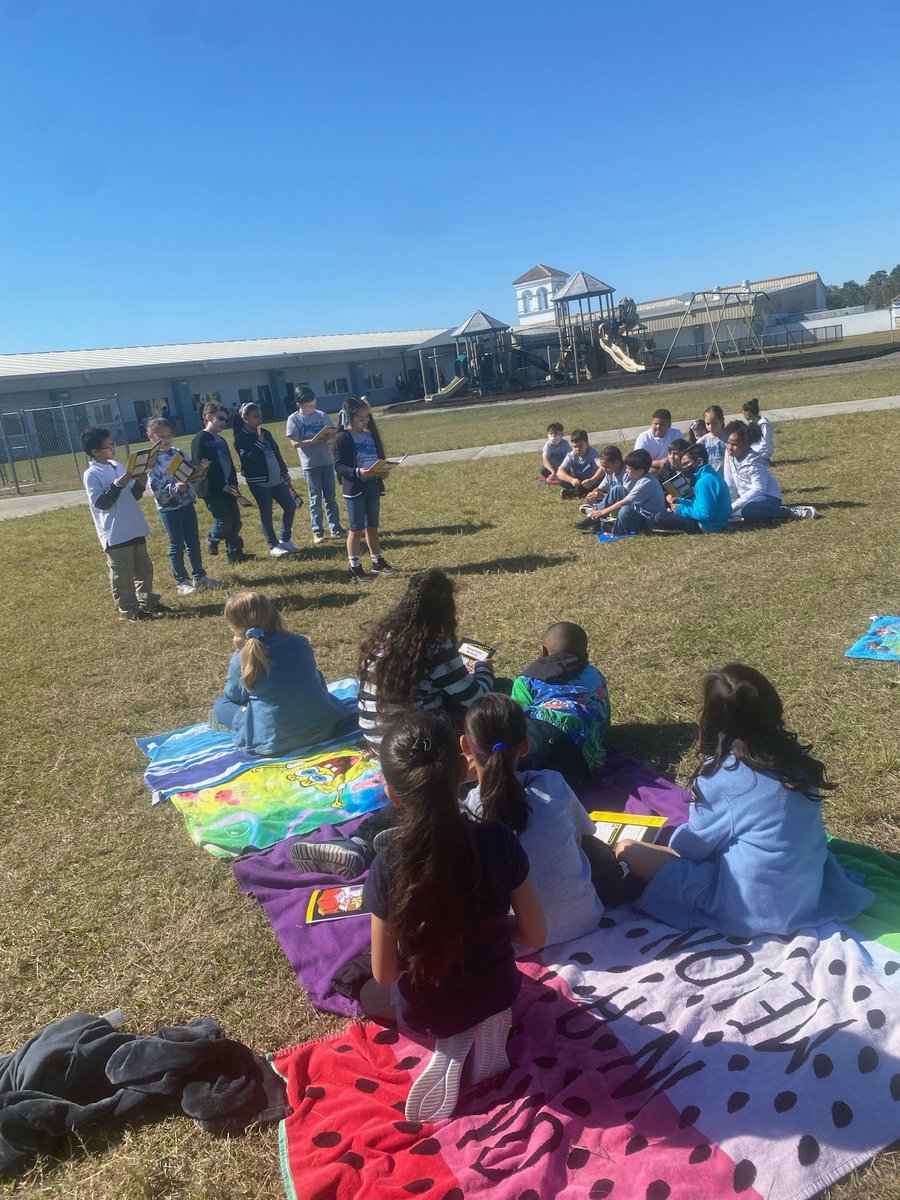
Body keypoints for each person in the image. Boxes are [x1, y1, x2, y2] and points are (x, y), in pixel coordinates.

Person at [360, 711, 546, 1122]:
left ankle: (453, 1035)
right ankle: (481, 1021)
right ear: (462, 768)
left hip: (428, 1010)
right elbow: (535, 935)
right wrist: (488, 926)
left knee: (360, 983)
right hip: (499, 988)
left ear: (392, 793)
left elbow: (385, 974)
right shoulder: (499, 838)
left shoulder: (388, 865)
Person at [617, 664, 875, 937]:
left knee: (626, 848)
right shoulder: (795, 759)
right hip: (807, 896)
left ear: (712, 719)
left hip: (750, 906)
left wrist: (670, 840)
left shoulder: (722, 777)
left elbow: (692, 850)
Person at [461, 693, 630, 946]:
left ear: (464, 746)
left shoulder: (467, 812)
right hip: (585, 920)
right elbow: (580, 840)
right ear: (526, 745)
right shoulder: (552, 783)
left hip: (520, 943)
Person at [357, 568, 494, 751]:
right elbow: (474, 698)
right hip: (414, 745)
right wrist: (484, 669)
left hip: (375, 739)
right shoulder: (435, 645)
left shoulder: (382, 638)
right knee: (494, 697)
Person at [209, 591, 357, 756]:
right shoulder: (300, 642)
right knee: (315, 677)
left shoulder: (241, 658)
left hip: (276, 740)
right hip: (324, 726)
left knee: (220, 706)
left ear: (235, 626)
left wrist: (240, 652)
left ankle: (238, 728)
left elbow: (234, 696)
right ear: (273, 614)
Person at [81, 427, 172, 622]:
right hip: (115, 531)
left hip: (134, 525)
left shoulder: (118, 465)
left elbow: (133, 496)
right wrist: (119, 483)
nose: (112, 449)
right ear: (95, 452)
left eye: (112, 444)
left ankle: (148, 601)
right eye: (107, 446)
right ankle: (129, 609)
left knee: (144, 568)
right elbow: (101, 503)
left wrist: (140, 482)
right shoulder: (91, 474)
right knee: (122, 573)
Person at [510, 621, 610, 785]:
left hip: (540, 745)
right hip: (584, 761)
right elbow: (605, 721)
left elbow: (515, 726)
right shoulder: (595, 675)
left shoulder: (526, 680)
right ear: (585, 654)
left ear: (543, 651)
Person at [145, 417, 219, 595]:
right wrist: (175, 488)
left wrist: (199, 471)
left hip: (187, 503)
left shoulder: (177, 452)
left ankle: (199, 576)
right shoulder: (151, 460)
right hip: (169, 509)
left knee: (193, 541)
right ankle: (181, 581)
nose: (167, 439)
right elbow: (156, 488)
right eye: (161, 436)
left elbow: (190, 472)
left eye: (169, 435)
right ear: (151, 437)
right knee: (176, 544)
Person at [333, 395, 393, 580]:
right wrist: (358, 472)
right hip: (355, 489)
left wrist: (382, 471)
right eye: (361, 418)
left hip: (372, 486)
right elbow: (339, 466)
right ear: (349, 418)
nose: (365, 421)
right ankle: (355, 567)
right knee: (356, 528)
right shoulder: (343, 438)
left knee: (372, 526)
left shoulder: (368, 436)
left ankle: (377, 561)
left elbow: (376, 459)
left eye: (367, 417)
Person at [232, 403, 299, 558]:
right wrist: (259, 442)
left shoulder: (266, 432)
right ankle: (273, 544)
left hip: (277, 479)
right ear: (245, 418)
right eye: (255, 416)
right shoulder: (241, 437)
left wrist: (284, 472)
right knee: (266, 512)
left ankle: (285, 538)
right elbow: (247, 459)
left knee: (290, 506)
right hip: (259, 482)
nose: (259, 419)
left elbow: (276, 452)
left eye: (260, 415)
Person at [723, 421, 816, 522]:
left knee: (749, 510)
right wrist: (730, 505)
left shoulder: (754, 462)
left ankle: (790, 512)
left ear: (746, 445)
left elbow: (758, 489)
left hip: (768, 496)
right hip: (746, 500)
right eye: (728, 443)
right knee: (741, 512)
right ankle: (770, 517)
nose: (729, 447)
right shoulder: (729, 455)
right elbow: (729, 482)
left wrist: (735, 505)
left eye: (734, 444)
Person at [191, 401, 247, 565]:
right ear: (209, 417)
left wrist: (233, 483)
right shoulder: (200, 439)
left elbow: (228, 463)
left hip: (228, 487)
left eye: (226, 420)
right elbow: (200, 467)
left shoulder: (221, 440)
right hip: (213, 489)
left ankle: (235, 553)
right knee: (224, 521)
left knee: (235, 520)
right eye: (221, 418)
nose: (224, 422)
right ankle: (212, 538)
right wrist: (219, 485)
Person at [286, 385, 343, 545]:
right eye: (309, 405)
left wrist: (329, 437)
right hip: (310, 465)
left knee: (330, 497)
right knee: (315, 498)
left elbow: (333, 433)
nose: (313, 407)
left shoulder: (321, 415)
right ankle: (317, 531)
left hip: (326, 461)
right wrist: (310, 442)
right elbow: (294, 443)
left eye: (314, 404)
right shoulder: (294, 419)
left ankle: (336, 528)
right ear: (299, 405)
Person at [655, 443, 732, 534]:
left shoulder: (704, 482)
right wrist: (682, 502)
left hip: (708, 526)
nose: (684, 468)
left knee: (660, 517)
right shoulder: (712, 476)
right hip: (717, 523)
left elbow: (705, 514)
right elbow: (701, 505)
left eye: (686, 464)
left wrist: (680, 509)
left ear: (699, 462)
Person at [589, 449, 666, 539]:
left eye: (629, 469)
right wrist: (600, 511)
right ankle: (594, 515)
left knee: (625, 510)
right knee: (618, 489)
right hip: (639, 511)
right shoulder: (643, 478)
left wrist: (603, 512)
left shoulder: (646, 483)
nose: (626, 471)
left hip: (649, 522)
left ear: (640, 471)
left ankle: (616, 531)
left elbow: (623, 503)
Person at [555, 429, 605, 498]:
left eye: (580, 446)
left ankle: (575, 493)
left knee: (602, 477)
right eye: (575, 447)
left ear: (587, 444)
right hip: (578, 481)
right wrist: (571, 480)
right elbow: (559, 472)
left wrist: (592, 480)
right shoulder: (571, 455)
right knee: (561, 480)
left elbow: (603, 467)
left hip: (591, 479)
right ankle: (584, 492)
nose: (577, 449)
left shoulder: (593, 453)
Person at [699, 405, 727, 474]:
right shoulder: (702, 442)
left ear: (722, 421)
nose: (710, 427)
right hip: (711, 477)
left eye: (714, 423)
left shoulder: (729, 438)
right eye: (707, 424)